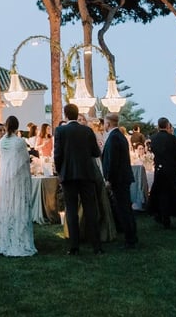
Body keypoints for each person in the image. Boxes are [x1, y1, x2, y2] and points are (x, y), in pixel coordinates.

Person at [54, 103, 103, 255]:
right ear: (77, 114)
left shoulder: (60, 131)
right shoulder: (87, 131)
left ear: (66, 115)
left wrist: (59, 171)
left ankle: (74, 246)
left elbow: (57, 154)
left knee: (71, 210)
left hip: (68, 175)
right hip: (86, 174)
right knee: (90, 209)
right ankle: (96, 245)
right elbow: (96, 153)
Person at [0, 115, 36, 257]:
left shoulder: (1, 142)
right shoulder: (19, 142)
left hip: (5, 179)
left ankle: (4, 241)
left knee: (7, 208)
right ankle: (19, 239)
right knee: (18, 208)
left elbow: (6, 160)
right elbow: (24, 161)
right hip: (17, 180)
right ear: (17, 126)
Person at [102, 112, 138, 249]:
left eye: (104, 123)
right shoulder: (119, 136)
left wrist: (109, 179)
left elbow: (112, 161)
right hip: (123, 177)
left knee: (123, 209)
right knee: (126, 208)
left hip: (118, 179)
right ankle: (132, 235)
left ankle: (130, 239)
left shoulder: (113, 138)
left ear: (108, 123)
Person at [148, 117, 176, 229]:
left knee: (163, 196)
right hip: (172, 171)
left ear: (158, 126)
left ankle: (165, 220)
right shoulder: (173, 139)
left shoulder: (153, 139)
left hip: (160, 171)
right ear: (167, 126)